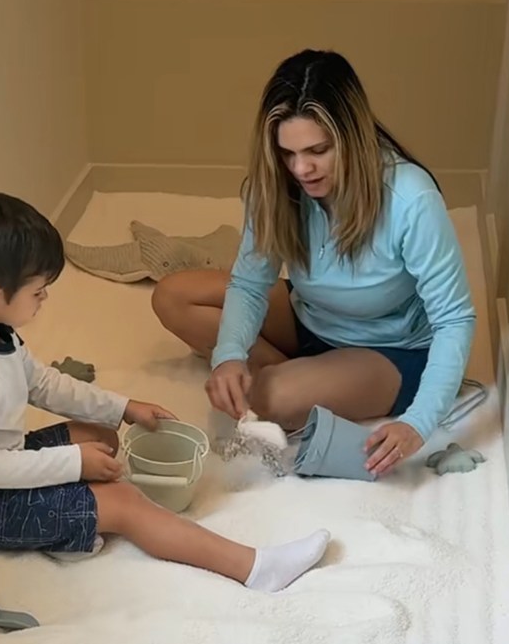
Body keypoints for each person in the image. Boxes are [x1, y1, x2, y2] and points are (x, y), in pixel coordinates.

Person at [0, 192, 330, 591]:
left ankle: (68, 524)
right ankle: (254, 567)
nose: (45, 297)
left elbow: (42, 382)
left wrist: (123, 408)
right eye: (37, 291)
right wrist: (72, 465)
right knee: (123, 502)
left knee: (101, 439)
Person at [152, 50, 476, 478]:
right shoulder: (277, 185)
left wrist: (418, 422)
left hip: (389, 348)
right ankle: (297, 373)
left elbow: (454, 319)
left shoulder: (410, 198)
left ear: (353, 136)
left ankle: (296, 379)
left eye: (318, 150)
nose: (301, 168)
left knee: (271, 396)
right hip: (312, 315)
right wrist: (228, 356)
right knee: (172, 296)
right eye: (287, 153)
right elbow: (250, 284)